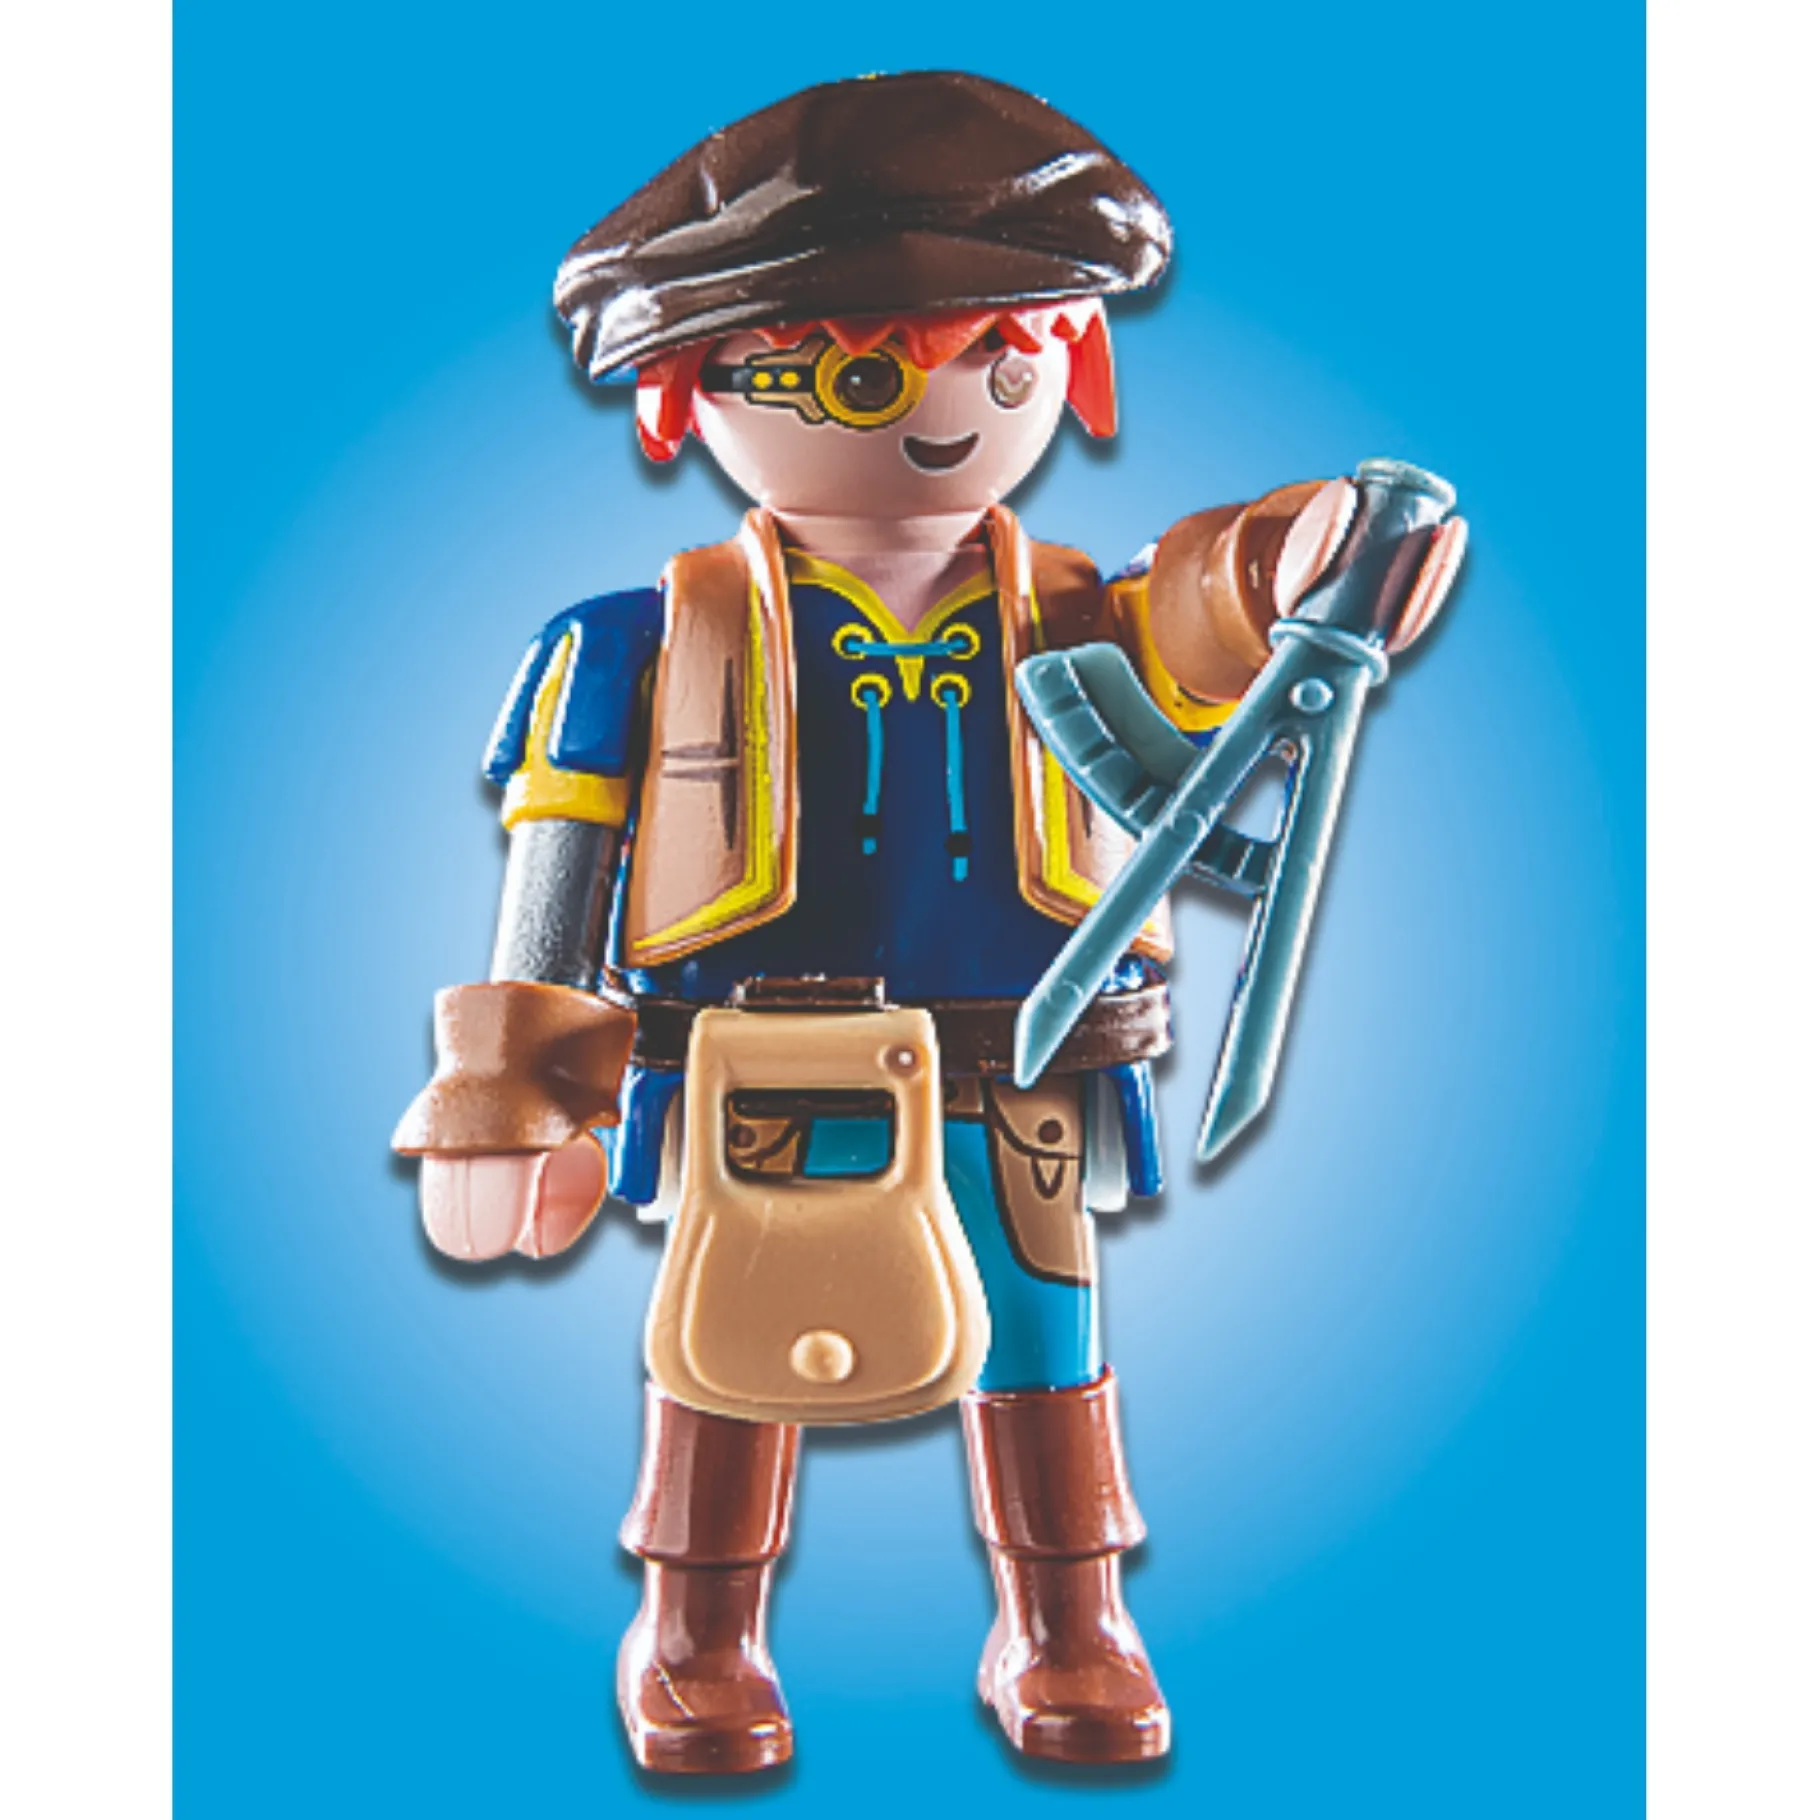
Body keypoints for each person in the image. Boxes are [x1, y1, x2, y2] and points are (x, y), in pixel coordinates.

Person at [394, 70, 1457, 1774]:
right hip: (757, 1063)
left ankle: (1069, 1621)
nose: (948, 410)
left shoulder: (1081, 613)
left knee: (1039, 1332)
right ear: (692, 388)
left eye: (1005, 356)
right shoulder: (636, 638)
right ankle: (697, 1632)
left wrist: (1298, 570)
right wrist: (514, 1094)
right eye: (857, 373)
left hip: (1016, 1058)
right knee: (729, 1335)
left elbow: (1208, 621)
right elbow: (558, 871)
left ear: (1070, 365)